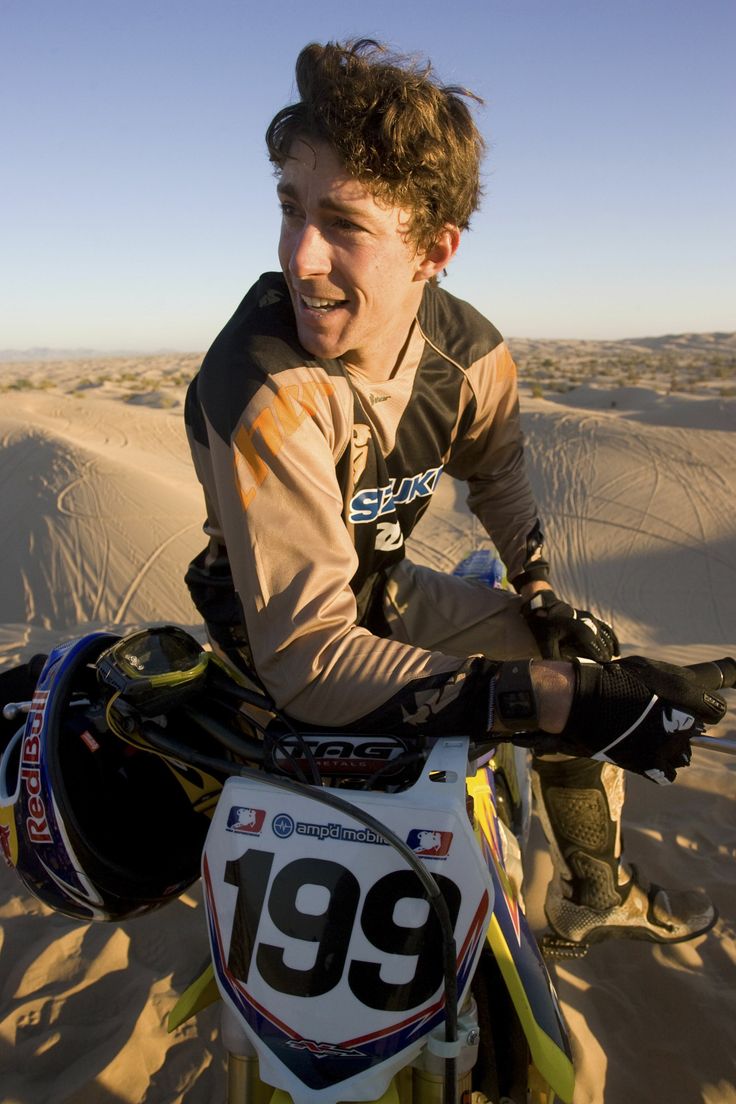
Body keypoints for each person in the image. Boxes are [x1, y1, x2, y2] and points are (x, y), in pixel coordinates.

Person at [183, 39, 725, 947]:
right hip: (266, 631)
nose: (300, 255)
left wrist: (540, 594)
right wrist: (550, 698)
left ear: (435, 249)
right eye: (290, 208)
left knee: (585, 664)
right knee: (566, 693)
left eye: (344, 223)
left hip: (384, 595)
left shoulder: (469, 353)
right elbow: (310, 656)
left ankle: (593, 890)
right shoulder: (264, 386)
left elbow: (498, 470)